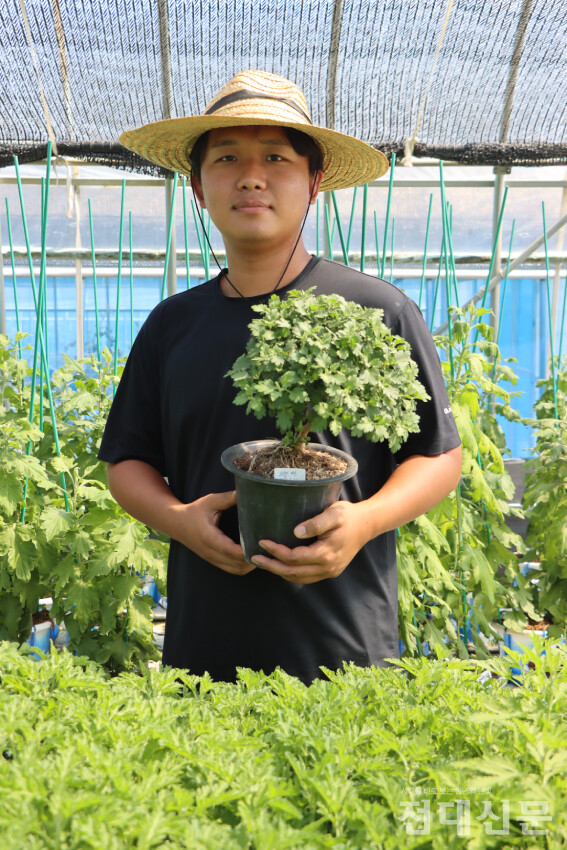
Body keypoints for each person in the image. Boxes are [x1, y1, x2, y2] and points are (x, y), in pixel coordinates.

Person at [98, 70, 462, 683]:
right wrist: (180, 520)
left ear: (314, 182)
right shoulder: (172, 326)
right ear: (197, 185)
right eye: (227, 158)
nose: (251, 176)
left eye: (276, 156)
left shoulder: (376, 311)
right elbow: (126, 463)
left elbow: (437, 456)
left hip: (344, 646)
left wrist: (364, 522)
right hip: (205, 651)